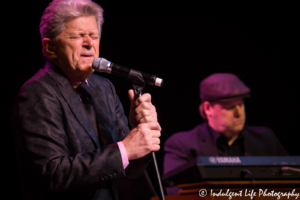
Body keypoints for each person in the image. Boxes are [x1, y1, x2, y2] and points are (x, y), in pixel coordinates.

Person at [11, 0, 161, 199]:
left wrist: (139, 134)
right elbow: (55, 173)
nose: (89, 43)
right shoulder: (36, 93)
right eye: (77, 36)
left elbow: (129, 170)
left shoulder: (104, 88)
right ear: (50, 47)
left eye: (94, 36)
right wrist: (125, 149)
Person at [163, 73, 288, 194]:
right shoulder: (182, 145)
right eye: (230, 107)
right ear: (208, 108)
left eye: (240, 104)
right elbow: (174, 192)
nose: (239, 113)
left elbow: (291, 180)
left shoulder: (265, 139)